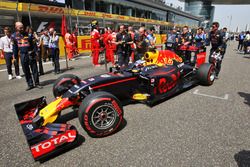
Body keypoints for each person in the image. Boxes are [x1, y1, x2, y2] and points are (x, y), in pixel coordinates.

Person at [12, 22, 42, 90]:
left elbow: (34, 45)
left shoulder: (29, 35)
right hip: (23, 55)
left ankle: (37, 83)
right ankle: (30, 84)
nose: (22, 28)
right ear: (16, 27)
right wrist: (15, 57)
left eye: (23, 27)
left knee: (34, 69)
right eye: (20, 27)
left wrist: (36, 53)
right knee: (26, 70)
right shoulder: (13, 36)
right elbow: (15, 48)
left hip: (31, 54)